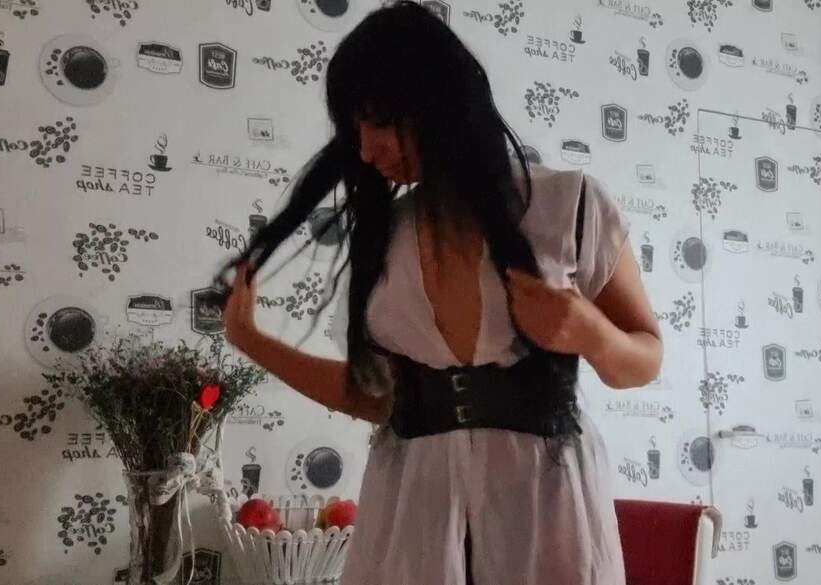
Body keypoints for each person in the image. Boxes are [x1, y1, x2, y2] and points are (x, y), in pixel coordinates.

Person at [217, 2, 663, 584]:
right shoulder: (387, 238)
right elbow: (377, 398)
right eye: (354, 129)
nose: (366, 149)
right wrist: (249, 339)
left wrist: (593, 335)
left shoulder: (569, 207)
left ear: (437, 103)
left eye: (378, 121)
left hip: (548, 517)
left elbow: (645, 359)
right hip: (414, 522)